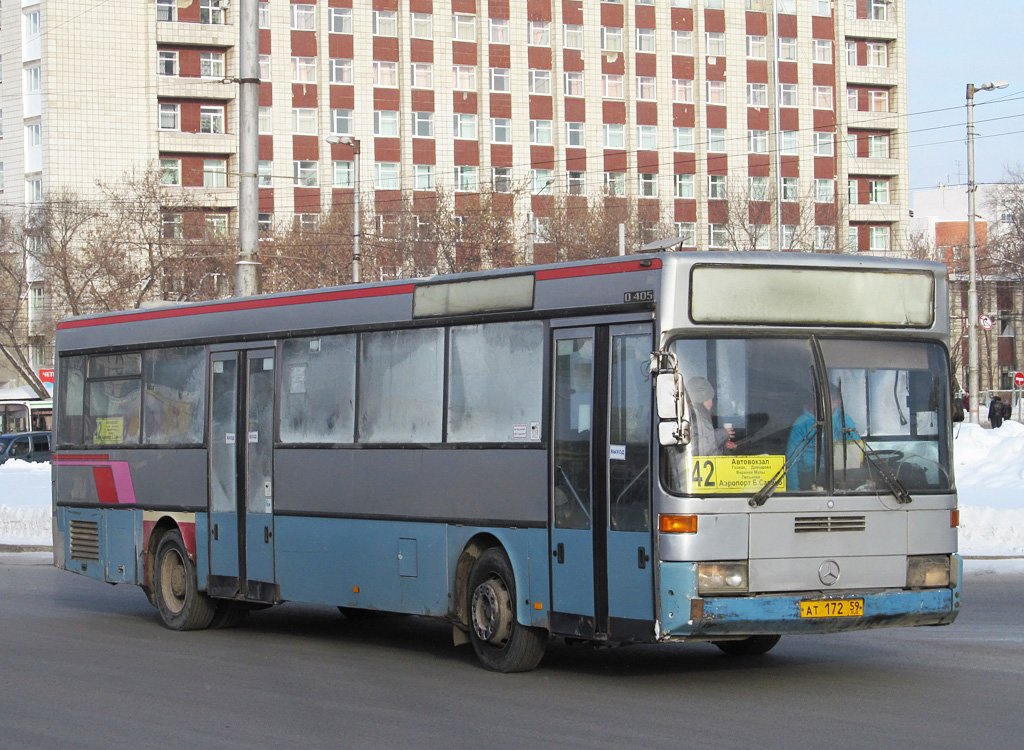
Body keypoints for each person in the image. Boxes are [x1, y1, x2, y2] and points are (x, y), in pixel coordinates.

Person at [786, 383, 858, 491]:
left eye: (831, 401)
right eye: (820, 401)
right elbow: (791, 462)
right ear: (814, 400)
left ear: (837, 402)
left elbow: (854, 448)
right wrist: (794, 492)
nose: (824, 406)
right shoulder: (801, 424)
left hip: (837, 475)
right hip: (807, 476)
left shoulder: (843, 420)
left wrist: (850, 477)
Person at [686, 377, 736, 456]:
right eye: (710, 399)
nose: (712, 403)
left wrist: (723, 447)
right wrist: (722, 434)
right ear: (702, 399)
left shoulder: (700, 417)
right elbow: (694, 450)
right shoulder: (691, 418)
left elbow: (706, 450)